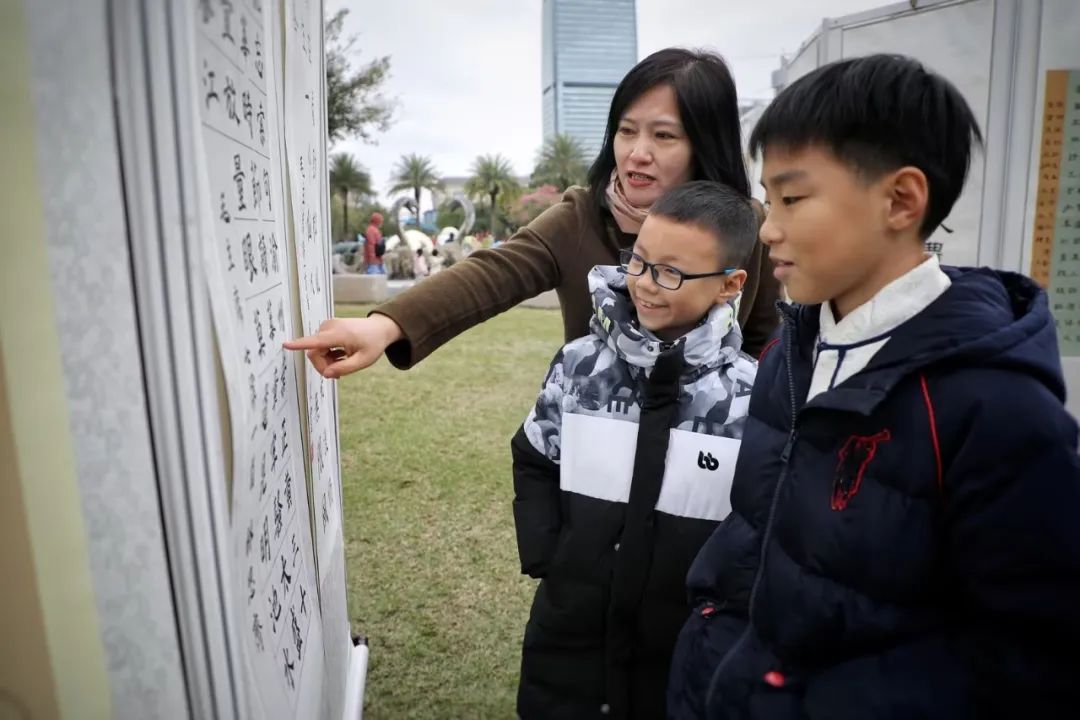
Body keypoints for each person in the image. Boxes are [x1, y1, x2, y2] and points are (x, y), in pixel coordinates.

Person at [666, 54, 1080, 719]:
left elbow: (1029, 661)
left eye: (792, 198)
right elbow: (757, 540)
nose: (767, 228)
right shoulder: (789, 354)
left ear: (900, 200)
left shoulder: (998, 410)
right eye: (768, 198)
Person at [284, 48, 780, 376]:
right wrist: (384, 325)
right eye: (627, 131)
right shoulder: (581, 216)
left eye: (664, 135)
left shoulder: (748, 225)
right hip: (592, 456)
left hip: (707, 464)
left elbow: (763, 343)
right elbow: (491, 274)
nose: (637, 153)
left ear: (704, 143)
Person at [512, 182, 760, 719]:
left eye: (670, 272)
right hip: (570, 641)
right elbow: (533, 455)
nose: (645, 283)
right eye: (639, 261)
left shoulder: (750, 398)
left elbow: (759, 521)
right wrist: (551, 556)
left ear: (729, 284)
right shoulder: (579, 364)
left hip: (682, 648)